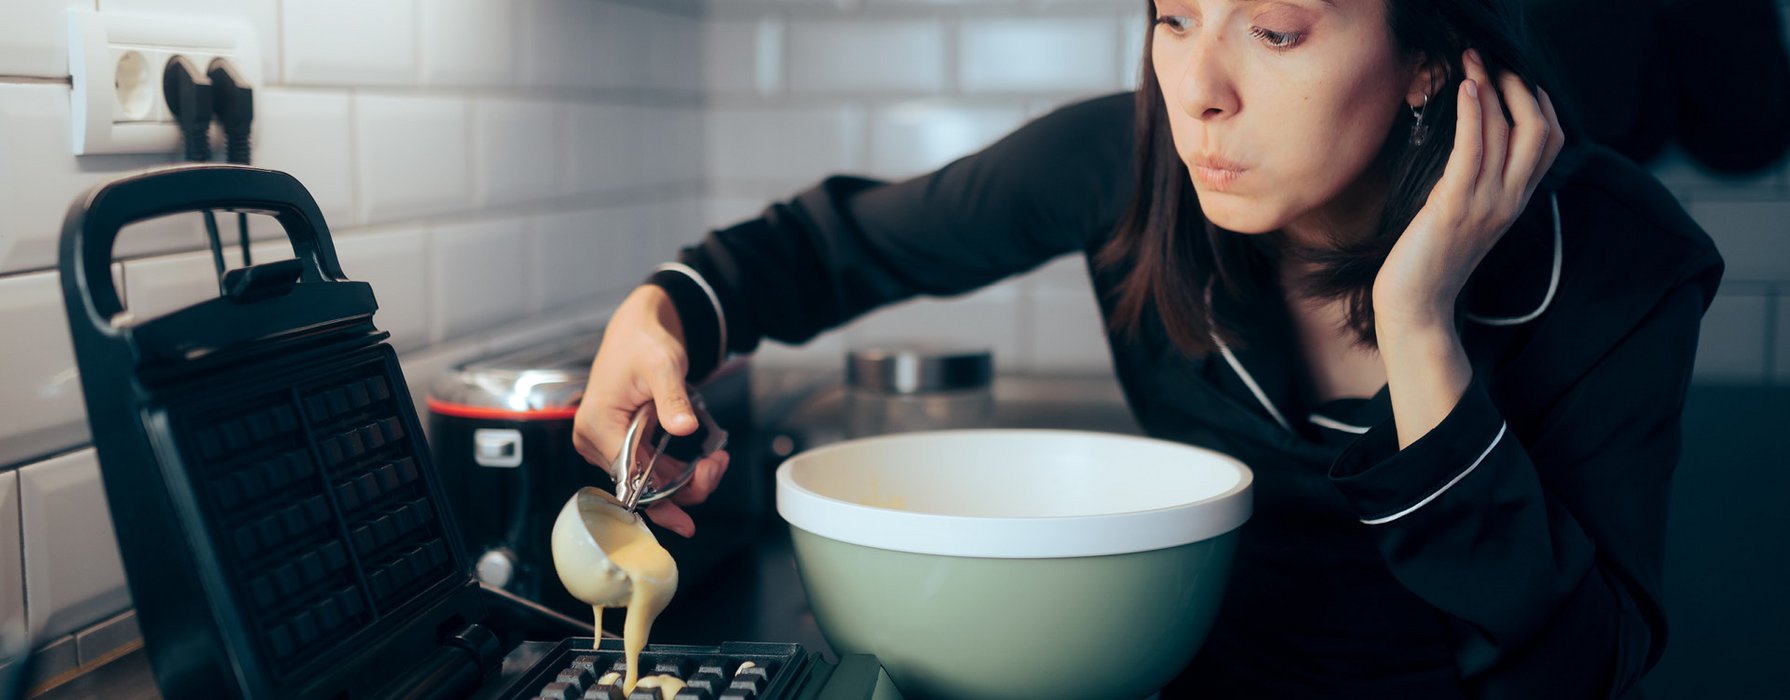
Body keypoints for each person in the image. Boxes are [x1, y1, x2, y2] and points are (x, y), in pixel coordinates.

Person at [573, 0, 1724, 695]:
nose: (1199, 92)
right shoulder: (1129, 166)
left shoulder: (1616, 258)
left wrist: (1418, 324)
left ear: (1428, 56)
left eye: (1273, 30)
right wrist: (659, 315)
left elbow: (1585, 662)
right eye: (1173, 17)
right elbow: (823, 251)